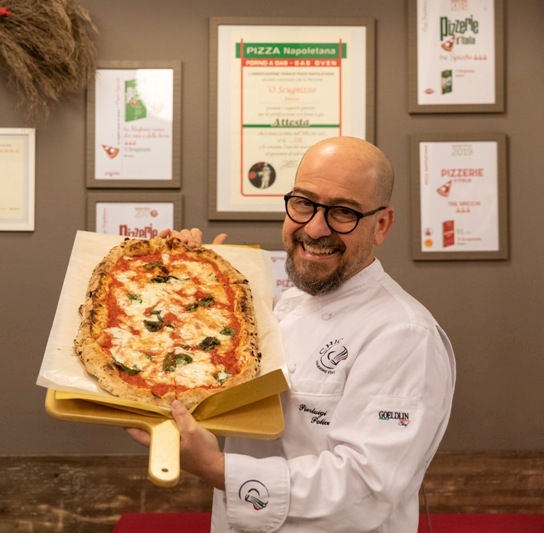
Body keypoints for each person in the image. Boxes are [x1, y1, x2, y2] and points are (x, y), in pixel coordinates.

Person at [128, 136, 456, 532]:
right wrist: (185, 283)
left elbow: (364, 492)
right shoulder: (286, 305)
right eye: (303, 203)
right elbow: (207, 382)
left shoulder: (405, 336)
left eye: (343, 212)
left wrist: (216, 468)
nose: (315, 228)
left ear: (381, 224)